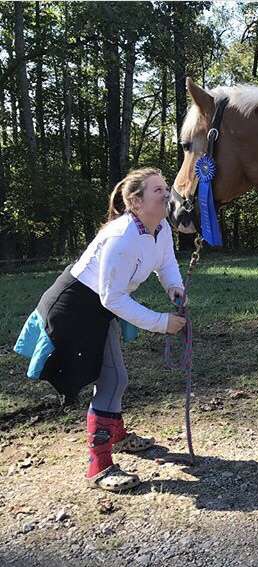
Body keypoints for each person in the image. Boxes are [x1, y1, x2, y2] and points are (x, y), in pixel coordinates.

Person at [14, 167, 187, 492]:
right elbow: (113, 298)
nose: (167, 194)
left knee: (115, 376)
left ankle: (116, 436)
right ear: (136, 203)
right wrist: (162, 323)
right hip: (76, 308)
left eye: (166, 188)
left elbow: (166, 265)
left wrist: (174, 288)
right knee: (113, 378)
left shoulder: (161, 227)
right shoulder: (121, 237)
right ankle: (99, 466)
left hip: (102, 306)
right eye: (157, 191)